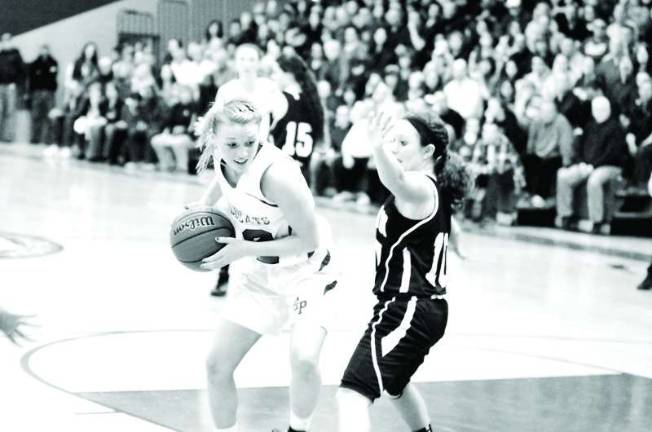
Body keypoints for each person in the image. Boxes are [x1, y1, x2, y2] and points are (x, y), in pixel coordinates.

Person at [193, 99, 337, 432]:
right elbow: (223, 177)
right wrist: (202, 206)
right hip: (261, 273)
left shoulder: (278, 176)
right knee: (216, 365)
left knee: (303, 359)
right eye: (232, 144)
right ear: (215, 139)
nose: (242, 152)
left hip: (308, 272)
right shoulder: (222, 156)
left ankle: (297, 430)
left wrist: (242, 249)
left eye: (250, 143)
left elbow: (310, 240)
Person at [337, 109, 470, 432]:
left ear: (428, 152)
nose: (394, 146)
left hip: (407, 307)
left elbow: (394, 179)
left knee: (352, 394)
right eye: (391, 139)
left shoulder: (419, 187)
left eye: (402, 142)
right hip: (425, 308)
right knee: (395, 385)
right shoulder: (434, 189)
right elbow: (449, 228)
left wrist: (377, 147)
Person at [209, 43, 287, 296]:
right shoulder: (227, 90)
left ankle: (272, 276)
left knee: (270, 218)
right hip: (235, 159)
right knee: (230, 215)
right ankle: (223, 275)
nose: (246, 62)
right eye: (242, 58)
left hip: (262, 159)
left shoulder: (269, 87)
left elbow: (282, 111)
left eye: (251, 58)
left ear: (258, 61)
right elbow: (217, 123)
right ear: (236, 62)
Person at [271, 53, 325, 187]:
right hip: (301, 176)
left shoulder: (278, 99)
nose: (273, 77)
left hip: (278, 173)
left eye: (276, 72)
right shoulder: (314, 102)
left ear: (288, 74)